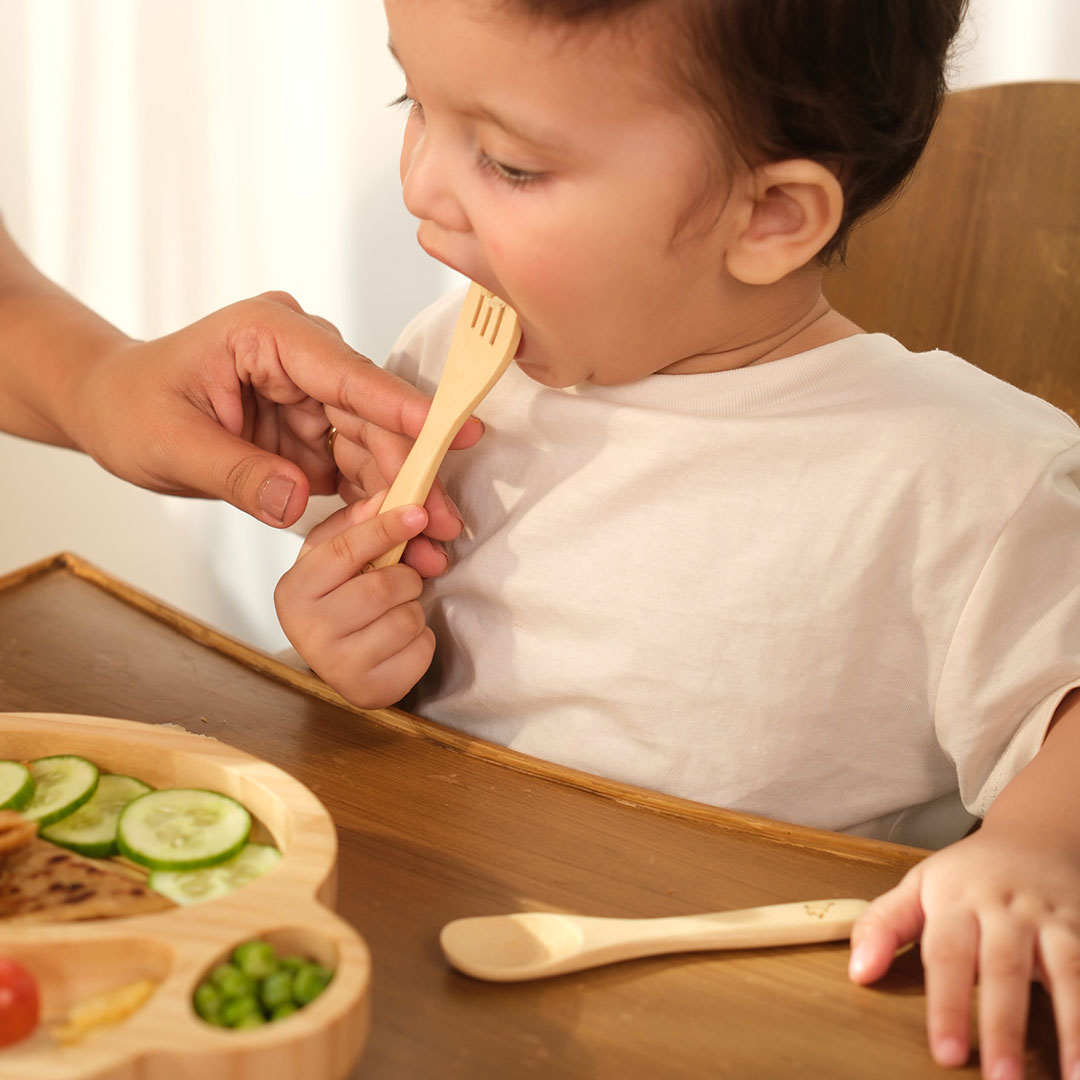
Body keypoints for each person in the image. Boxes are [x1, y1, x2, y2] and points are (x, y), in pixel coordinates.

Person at [273, 2, 1080, 1075]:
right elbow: (413, 713)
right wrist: (344, 642)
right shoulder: (449, 362)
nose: (420, 184)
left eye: (509, 164)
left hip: (739, 1010)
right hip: (426, 946)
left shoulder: (967, 474)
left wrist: (1034, 847)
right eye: (412, 103)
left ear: (770, 217)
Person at [0, 216, 472, 574]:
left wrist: (101, 383)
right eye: (415, 117)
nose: (417, 189)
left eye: (506, 165)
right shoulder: (435, 349)